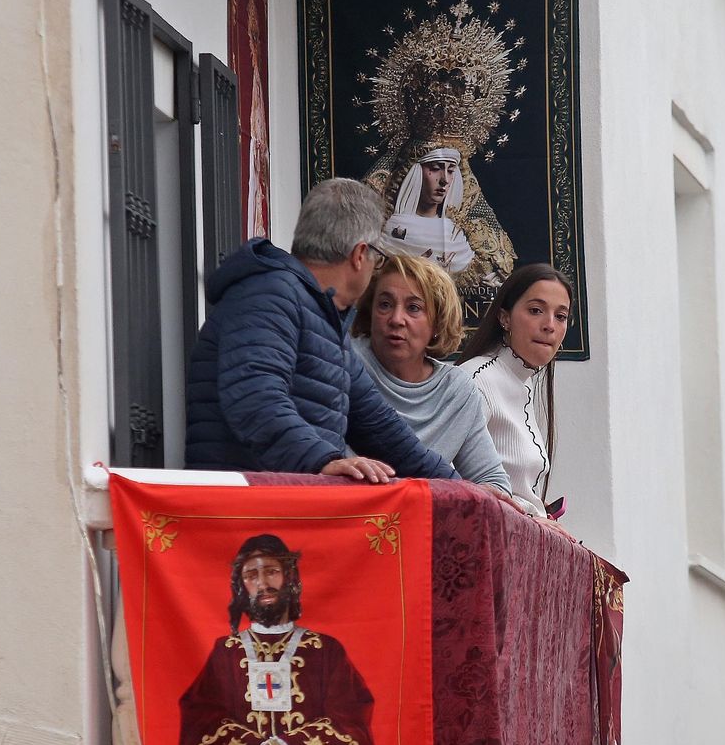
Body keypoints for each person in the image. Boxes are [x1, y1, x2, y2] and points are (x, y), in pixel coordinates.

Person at [185, 177, 457, 481]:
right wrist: (321, 459)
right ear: (359, 255)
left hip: (277, 506)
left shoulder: (322, 316)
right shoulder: (270, 295)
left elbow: (381, 429)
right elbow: (255, 397)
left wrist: (462, 488)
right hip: (240, 513)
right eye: (376, 258)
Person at [178, 534, 375, 745]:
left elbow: (353, 720)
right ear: (242, 587)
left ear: (289, 578)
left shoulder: (324, 650)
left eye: (271, 571)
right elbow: (198, 723)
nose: (262, 582)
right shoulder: (225, 653)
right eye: (251, 575)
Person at [349, 254, 514, 496]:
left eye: (413, 308)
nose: (396, 319)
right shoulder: (343, 360)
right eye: (384, 304)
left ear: (438, 323)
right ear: (369, 312)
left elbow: (494, 484)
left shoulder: (457, 390)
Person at [456, 264, 572, 518]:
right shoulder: (475, 379)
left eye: (560, 316)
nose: (550, 325)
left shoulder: (523, 382)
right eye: (535, 310)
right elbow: (453, 480)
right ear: (504, 318)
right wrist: (531, 516)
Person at [378, 147, 476, 274]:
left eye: (451, 170)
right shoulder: (390, 228)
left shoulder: (455, 234)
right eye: (435, 169)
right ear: (416, 171)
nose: (444, 180)